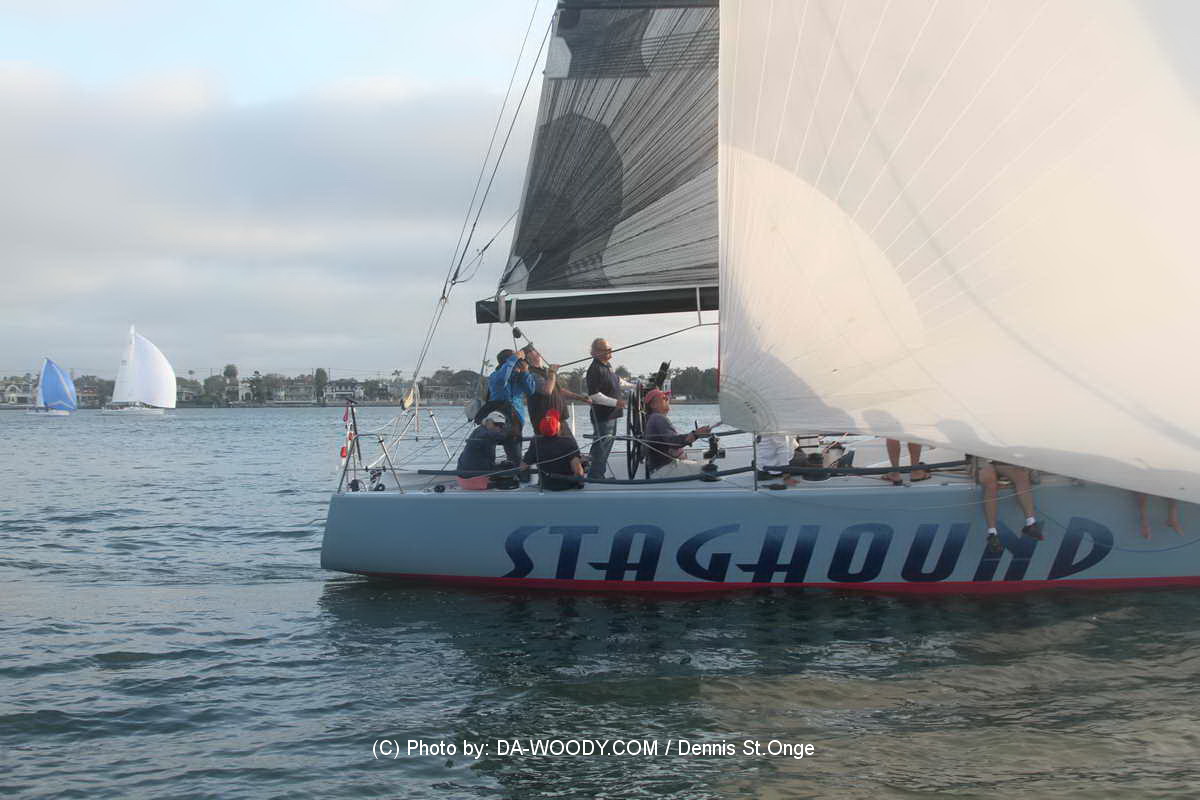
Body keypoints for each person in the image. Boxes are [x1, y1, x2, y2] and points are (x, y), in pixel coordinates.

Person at [970, 455, 1043, 553]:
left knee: (1021, 474)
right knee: (990, 481)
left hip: (1000, 458)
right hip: (980, 459)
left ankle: (1031, 523)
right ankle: (992, 533)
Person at [585, 338, 633, 479]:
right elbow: (594, 396)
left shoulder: (607, 366)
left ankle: (597, 473)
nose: (610, 351)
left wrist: (635, 386)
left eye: (610, 348)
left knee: (605, 445)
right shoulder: (594, 370)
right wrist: (616, 402)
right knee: (601, 446)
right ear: (596, 352)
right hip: (603, 416)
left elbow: (617, 381)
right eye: (606, 349)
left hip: (611, 415)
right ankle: (595, 476)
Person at [643, 389, 711, 478]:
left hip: (659, 469)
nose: (667, 399)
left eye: (667, 397)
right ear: (653, 405)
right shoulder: (658, 418)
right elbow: (674, 442)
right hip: (665, 470)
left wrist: (695, 434)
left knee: (702, 464)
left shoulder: (653, 419)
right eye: (664, 398)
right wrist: (696, 434)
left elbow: (668, 444)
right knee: (710, 468)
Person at [488, 349, 537, 469]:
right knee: (508, 452)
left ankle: (516, 470)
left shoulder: (519, 376)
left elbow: (531, 390)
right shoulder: (495, 376)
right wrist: (513, 358)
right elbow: (502, 379)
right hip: (499, 420)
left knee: (515, 455)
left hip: (516, 421)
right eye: (516, 361)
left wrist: (525, 372)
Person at [523, 345, 589, 430]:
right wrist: (552, 373)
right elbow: (547, 390)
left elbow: (558, 390)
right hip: (546, 423)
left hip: (559, 421)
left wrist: (580, 397)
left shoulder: (546, 371)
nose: (538, 353)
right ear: (528, 358)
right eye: (533, 352)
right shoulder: (531, 375)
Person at [523, 409, 585, 491]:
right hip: (567, 485)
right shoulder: (569, 442)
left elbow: (523, 466)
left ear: (541, 428)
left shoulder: (535, 442)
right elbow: (578, 471)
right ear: (557, 427)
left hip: (545, 485)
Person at [455, 411, 509, 490]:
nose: (499, 428)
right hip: (473, 480)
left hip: (463, 477)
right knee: (509, 469)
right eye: (496, 424)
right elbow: (487, 436)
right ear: (488, 422)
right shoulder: (482, 433)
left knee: (505, 466)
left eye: (501, 426)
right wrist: (510, 436)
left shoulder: (479, 430)